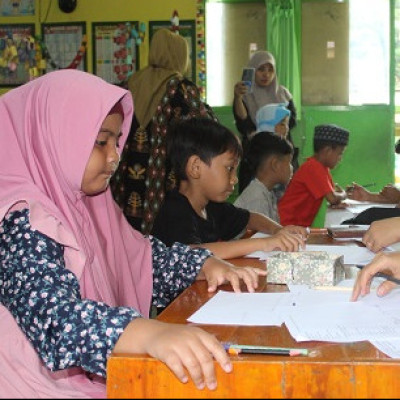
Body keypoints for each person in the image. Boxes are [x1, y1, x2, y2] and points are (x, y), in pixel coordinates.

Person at [0, 70, 269, 398]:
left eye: (116, 140)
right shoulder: (22, 219)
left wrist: (200, 264)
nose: (114, 156)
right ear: (54, 135)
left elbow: (139, 258)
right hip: (36, 387)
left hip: (97, 374)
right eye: (101, 142)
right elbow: (55, 319)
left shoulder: (90, 203)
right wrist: (145, 333)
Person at [151, 118, 308, 260]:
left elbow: (252, 218)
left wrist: (278, 231)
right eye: (229, 168)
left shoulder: (212, 207)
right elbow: (192, 254)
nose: (235, 178)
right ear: (195, 167)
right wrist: (264, 243)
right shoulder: (175, 210)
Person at [111, 28, 217, 234]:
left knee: (126, 242)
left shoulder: (128, 84)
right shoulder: (182, 89)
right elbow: (210, 130)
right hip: (162, 187)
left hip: (123, 183)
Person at [233, 51, 298, 193]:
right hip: (257, 159)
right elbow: (245, 124)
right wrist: (238, 97)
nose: (266, 74)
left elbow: (292, 121)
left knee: (282, 203)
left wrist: (281, 126)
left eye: (270, 70)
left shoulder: (283, 94)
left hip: (281, 155)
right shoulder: (245, 96)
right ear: (253, 70)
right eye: (261, 69)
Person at [278, 124, 349, 227]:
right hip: (286, 223)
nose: (340, 158)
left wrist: (338, 201)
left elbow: (331, 195)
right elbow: (332, 198)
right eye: (340, 153)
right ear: (328, 151)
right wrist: (344, 194)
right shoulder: (314, 167)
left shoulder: (321, 168)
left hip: (295, 225)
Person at [234, 132, 294, 223]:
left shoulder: (266, 193)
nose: (292, 167)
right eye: (289, 162)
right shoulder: (257, 199)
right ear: (275, 165)